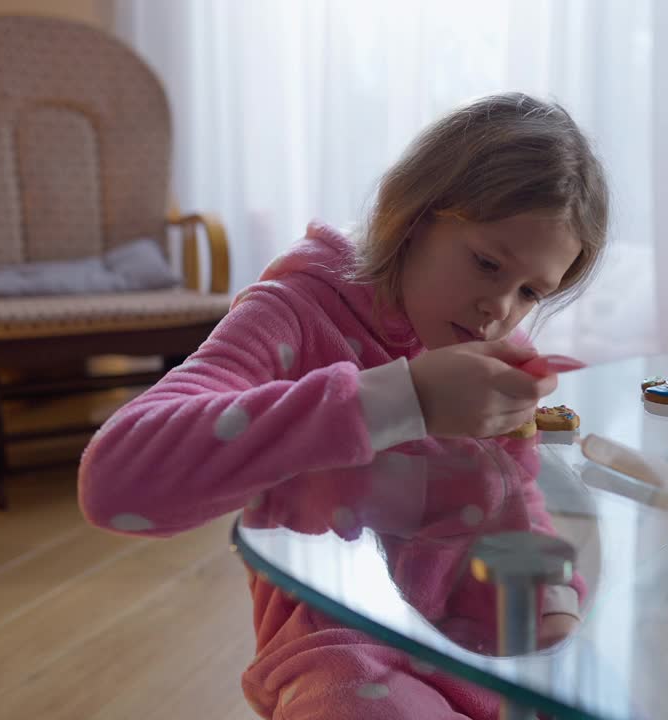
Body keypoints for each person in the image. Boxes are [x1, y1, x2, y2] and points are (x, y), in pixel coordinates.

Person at [79, 92, 609, 719]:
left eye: (530, 292)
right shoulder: (294, 316)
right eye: (487, 262)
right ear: (411, 217)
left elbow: (514, 494)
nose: (501, 308)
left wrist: (551, 597)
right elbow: (115, 484)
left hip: (487, 642)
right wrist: (402, 400)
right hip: (345, 648)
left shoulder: (495, 351)